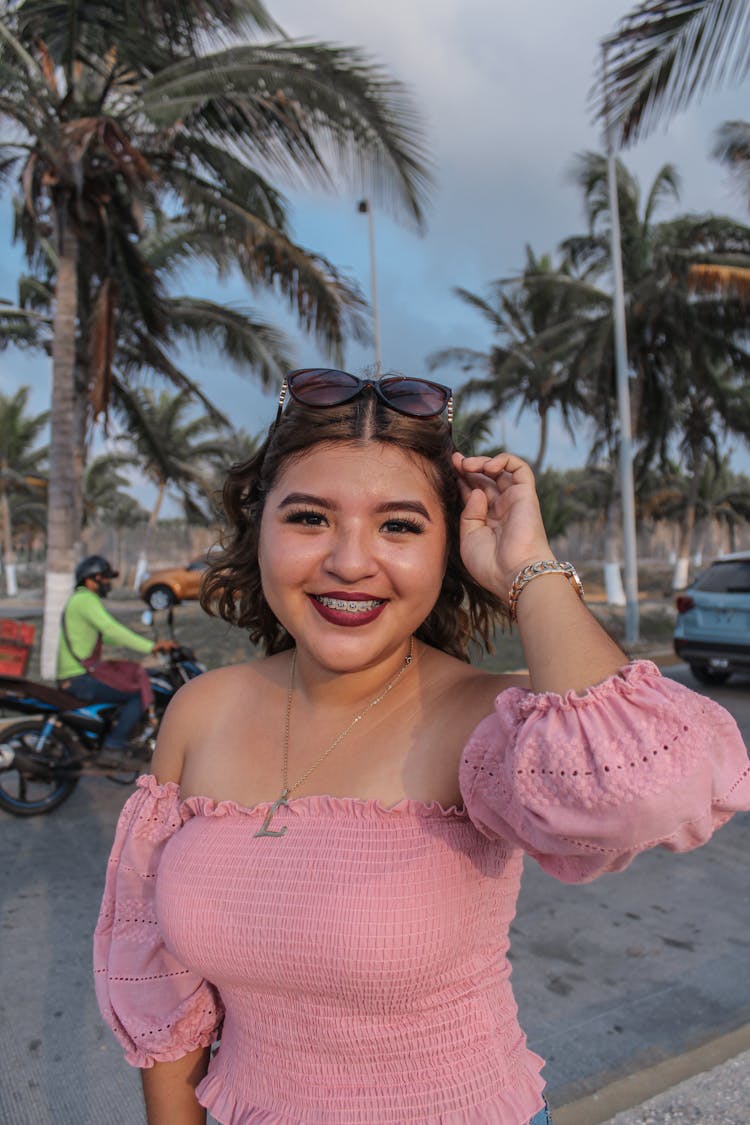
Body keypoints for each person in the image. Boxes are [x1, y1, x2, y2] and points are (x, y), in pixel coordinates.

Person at [93, 370, 750, 1125]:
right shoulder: (199, 712)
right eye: (309, 517)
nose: (349, 560)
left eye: (399, 525)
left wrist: (527, 568)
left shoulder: (483, 719)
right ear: (259, 527)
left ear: (448, 548)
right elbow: (158, 979)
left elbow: (655, 785)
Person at [58, 555, 174, 755]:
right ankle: (115, 741)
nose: (108, 583)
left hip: (77, 675)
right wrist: (151, 647)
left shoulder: (79, 600)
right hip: (80, 679)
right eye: (105, 578)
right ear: (91, 579)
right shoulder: (85, 599)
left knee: (126, 678)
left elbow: (105, 637)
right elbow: (111, 629)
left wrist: (143, 642)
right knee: (138, 691)